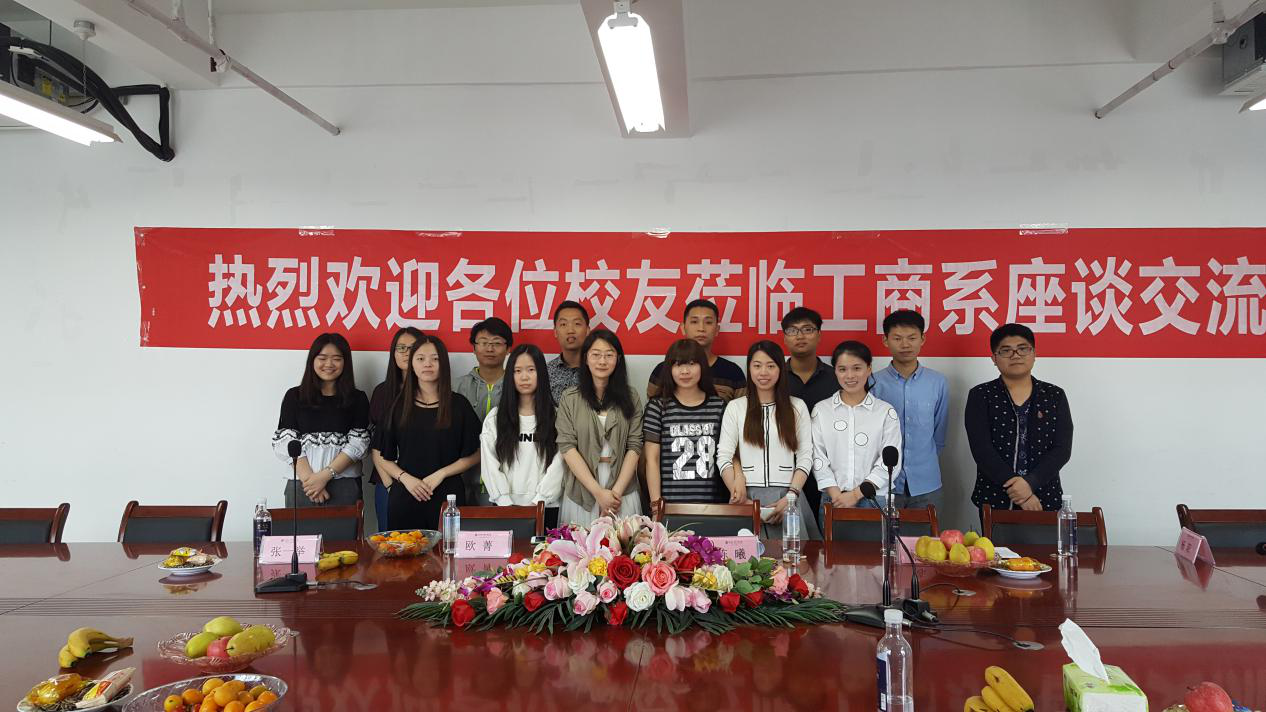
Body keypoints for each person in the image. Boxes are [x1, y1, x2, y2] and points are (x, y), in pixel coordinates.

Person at [373, 335, 481, 531]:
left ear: (444, 364)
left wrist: (442, 473)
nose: (428, 364)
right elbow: (381, 454)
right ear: (412, 364)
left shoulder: (459, 405)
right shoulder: (397, 406)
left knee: (448, 550)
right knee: (404, 549)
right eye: (420, 358)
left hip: (448, 497)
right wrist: (404, 478)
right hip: (407, 494)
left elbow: (477, 453)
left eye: (435, 358)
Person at [717, 341, 821, 541]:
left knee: (795, 557)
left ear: (780, 369)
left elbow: (806, 456)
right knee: (748, 559)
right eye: (757, 365)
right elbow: (724, 456)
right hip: (746, 496)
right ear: (749, 368)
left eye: (771, 366)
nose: (763, 372)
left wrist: (790, 497)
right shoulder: (736, 407)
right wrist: (739, 496)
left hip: (788, 496)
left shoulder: (797, 407)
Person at [965, 323, 1073, 514]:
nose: (1015, 355)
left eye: (1023, 349)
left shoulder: (1054, 395)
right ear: (994, 358)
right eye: (1006, 350)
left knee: (1045, 536)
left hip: (1044, 495)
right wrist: (1021, 492)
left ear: (1034, 354)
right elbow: (981, 449)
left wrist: (1030, 484)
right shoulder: (981, 395)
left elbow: (1061, 449)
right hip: (994, 496)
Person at [556, 329, 644, 525]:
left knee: (624, 543)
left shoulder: (631, 397)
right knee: (581, 543)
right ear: (586, 359)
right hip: (583, 488)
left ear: (618, 359)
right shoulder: (570, 398)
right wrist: (598, 493)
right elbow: (567, 447)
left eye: (609, 355)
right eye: (596, 354)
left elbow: (635, 446)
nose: (602, 361)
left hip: (621, 489)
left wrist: (614, 495)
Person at [272, 333, 370, 507]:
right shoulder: (294, 396)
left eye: (337, 359)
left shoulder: (358, 398)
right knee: (299, 527)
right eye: (322, 358)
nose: (329, 364)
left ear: (346, 362)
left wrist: (324, 476)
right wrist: (311, 481)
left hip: (345, 484)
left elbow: (359, 443)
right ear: (312, 361)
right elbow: (287, 441)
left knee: (346, 527)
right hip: (302, 485)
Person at [869, 309, 948, 511]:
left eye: (912, 338)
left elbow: (939, 435)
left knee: (928, 533)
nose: (905, 345)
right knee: (882, 533)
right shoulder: (873, 382)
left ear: (922, 339)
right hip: (884, 484)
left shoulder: (937, 382)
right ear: (885, 341)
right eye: (897, 338)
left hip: (926, 483)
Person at [480, 344, 565, 528]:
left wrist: (540, 500)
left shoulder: (556, 416)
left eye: (531, 370)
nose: (524, 377)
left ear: (541, 373)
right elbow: (489, 463)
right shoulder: (496, 418)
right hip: (504, 507)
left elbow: (561, 461)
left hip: (547, 507)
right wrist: (505, 502)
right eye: (517, 371)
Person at [811, 341, 903, 510]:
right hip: (833, 500)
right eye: (842, 369)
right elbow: (818, 457)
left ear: (869, 369)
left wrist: (855, 495)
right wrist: (837, 496)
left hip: (875, 499)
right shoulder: (821, 410)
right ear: (835, 371)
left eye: (857, 368)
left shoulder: (885, 412)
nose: (850, 376)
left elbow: (890, 463)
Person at [644, 339, 728, 506]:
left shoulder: (719, 406)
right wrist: (656, 506)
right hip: (671, 506)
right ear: (669, 369)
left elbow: (728, 455)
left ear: (702, 367)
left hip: (713, 507)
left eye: (691, 363)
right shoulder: (657, 407)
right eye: (677, 364)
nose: (684, 371)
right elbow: (652, 460)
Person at [780, 306, 836, 522]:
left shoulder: (837, 378)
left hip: (831, 475)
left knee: (828, 535)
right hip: (786, 473)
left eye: (807, 329)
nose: (800, 336)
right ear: (784, 337)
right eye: (792, 330)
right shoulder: (774, 379)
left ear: (819, 334)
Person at [368, 326, 424, 531]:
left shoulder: (433, 392)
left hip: (425, 484)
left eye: (412, 347)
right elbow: (376, 443)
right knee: (390, 543)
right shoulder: (382, 392)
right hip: (388, 481)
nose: (406, 353)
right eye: (401, 348)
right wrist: (390, 485)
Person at [453, 316, 512, 503]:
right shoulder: (456, 387)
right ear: (474, 347)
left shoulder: (517, 387)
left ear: (508, 349)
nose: (489, 348)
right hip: (461, 482)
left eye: (497, 343)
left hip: (506, 486)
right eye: (483, 342)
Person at [646, 300, 746, 401]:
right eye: (694, 322)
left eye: (708, 322)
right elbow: (652, 407)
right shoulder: (662, 370)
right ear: (683, 328)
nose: (701, 328)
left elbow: (742, 409)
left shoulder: (733, 372)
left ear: (717, 329)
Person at [547, 301, 591, 404]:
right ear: (555, 332)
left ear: (587, 330)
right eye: (563, 324)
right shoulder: (546, 372)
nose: (570, 330)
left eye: (577, 324)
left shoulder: (599, 368)